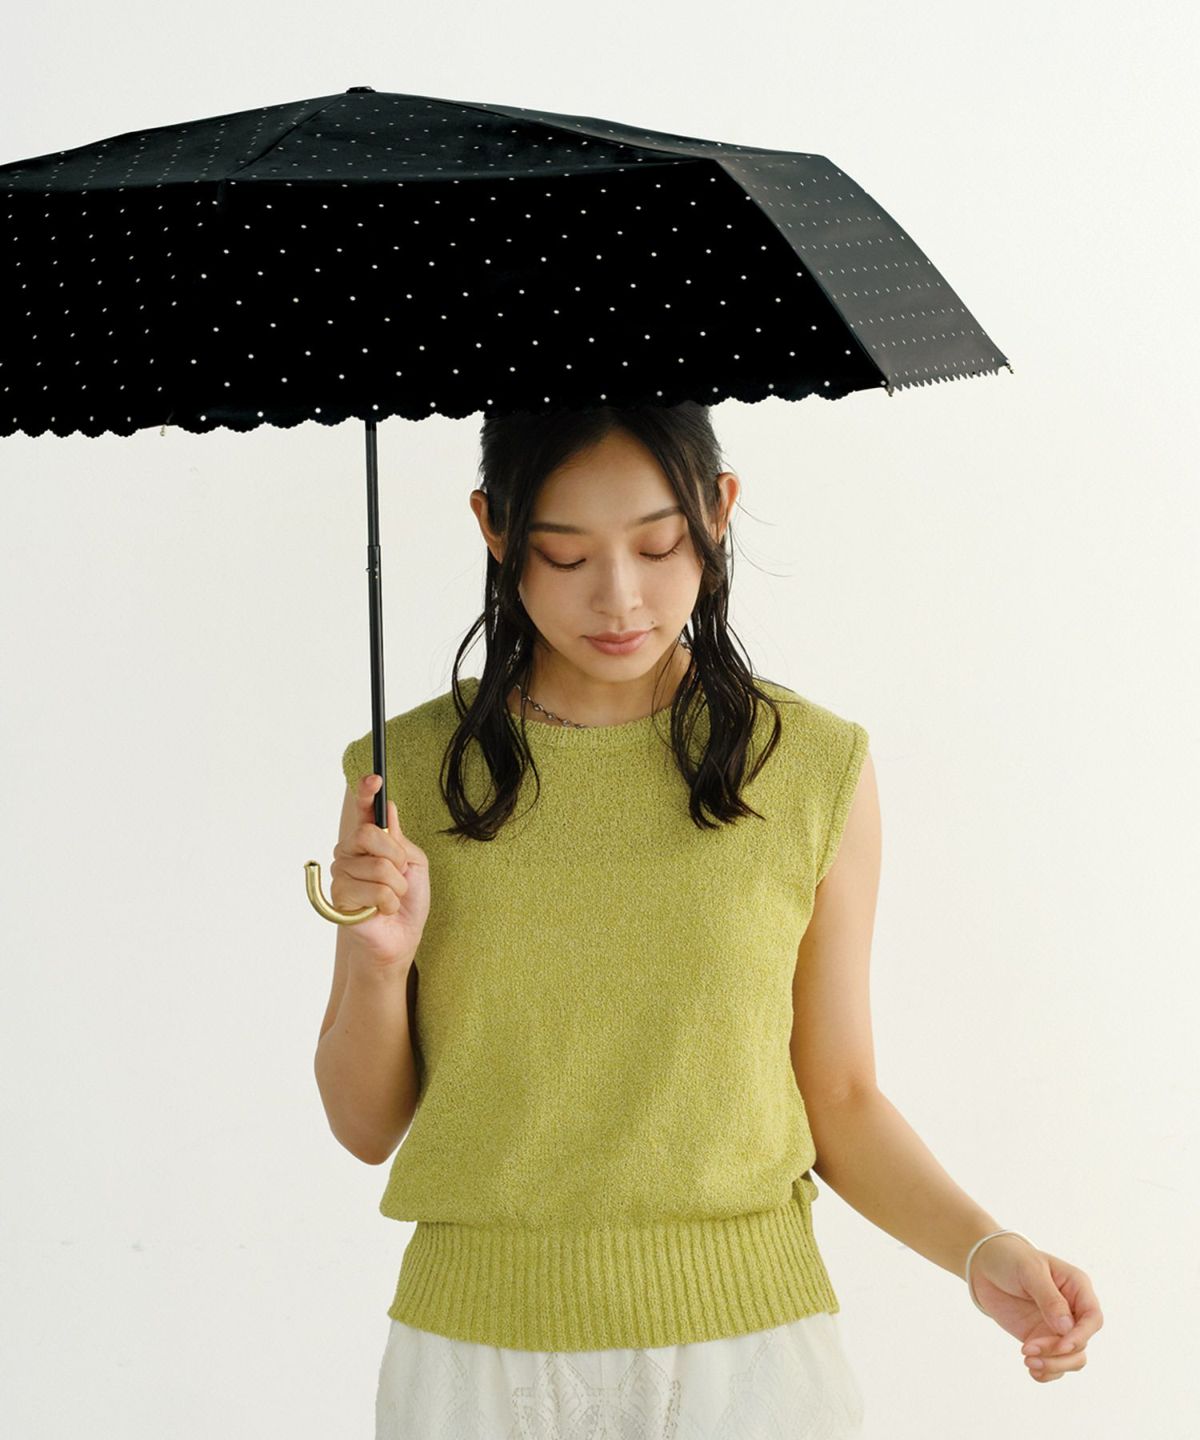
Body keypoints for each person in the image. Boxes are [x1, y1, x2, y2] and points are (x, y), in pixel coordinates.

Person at [316, 402, 1103, 1438]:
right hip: (473, 1366)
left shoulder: (810, 765)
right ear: (495, 530)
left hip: (751, 1361)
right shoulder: (406, 773)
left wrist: (980, 1247)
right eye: (564, 555)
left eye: (659, 545)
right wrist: (379, 963)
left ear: (719, 511)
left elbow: (841, 1095)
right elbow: (364, 1127)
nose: (620, 596)